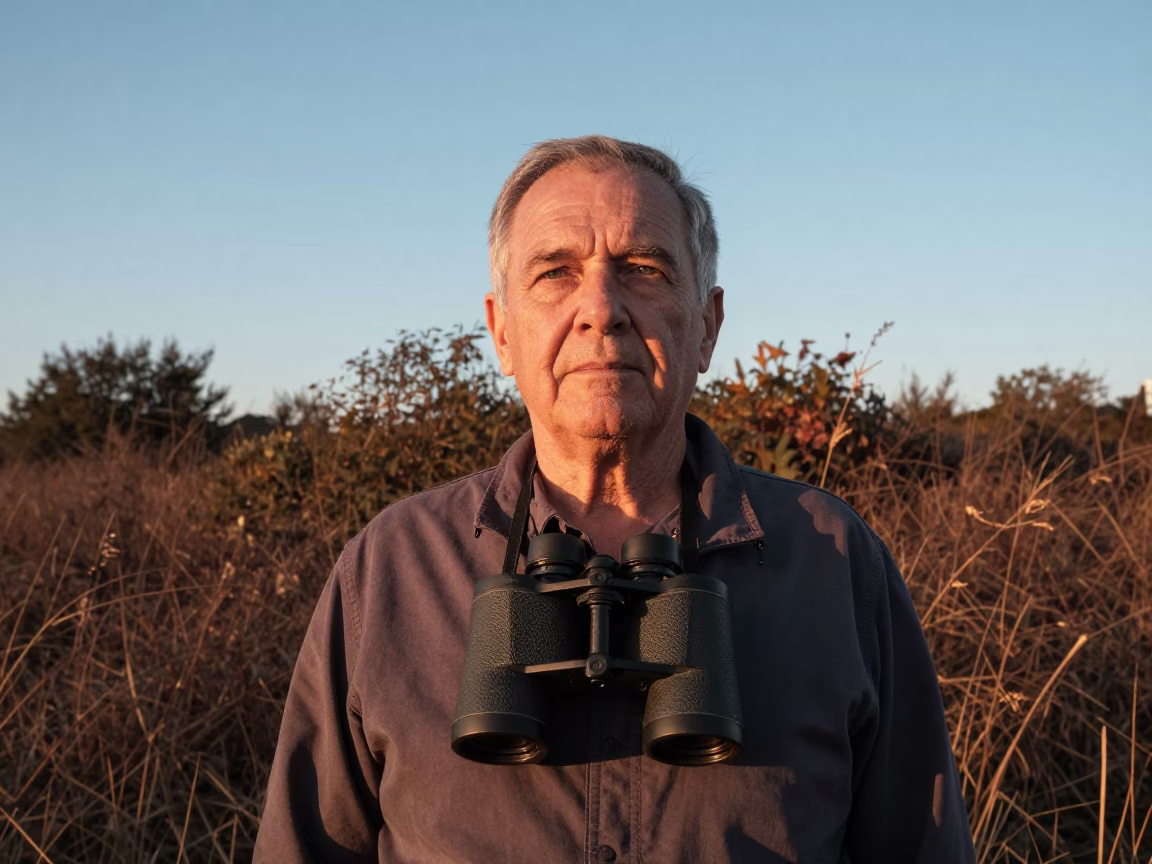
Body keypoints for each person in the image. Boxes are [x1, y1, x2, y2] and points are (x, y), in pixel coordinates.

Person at [254, 136, 975, 863]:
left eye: (644, 270)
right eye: (555, 273)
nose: (601, 308)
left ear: (708, 327)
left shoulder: (832, 560)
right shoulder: (391, 570)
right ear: (503, 332)